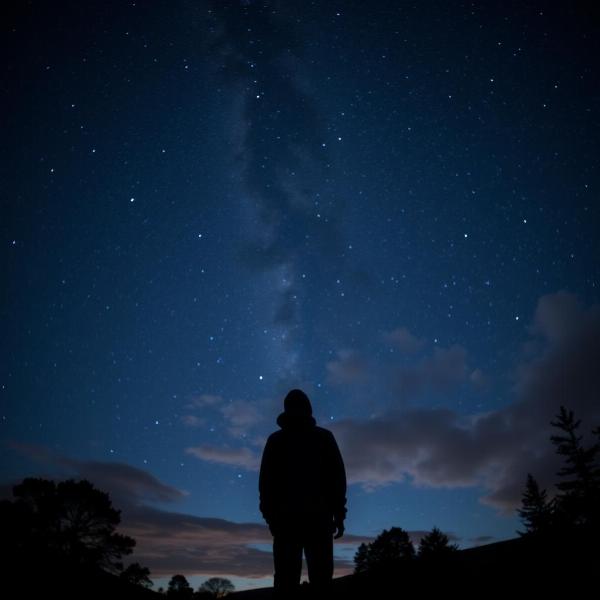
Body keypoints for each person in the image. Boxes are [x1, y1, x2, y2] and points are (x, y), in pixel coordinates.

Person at [259, 388, 347, 597]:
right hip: (308, 522)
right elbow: (337, 480)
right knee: (316, 581)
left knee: (288, 582)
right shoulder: (322, 438)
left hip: (293, 523)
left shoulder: (277, 441)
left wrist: (271, 518)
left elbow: (265, 485)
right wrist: (339, 514)